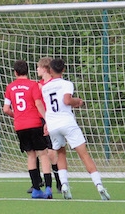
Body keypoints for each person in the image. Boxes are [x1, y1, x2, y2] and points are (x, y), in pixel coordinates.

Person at [40, 58, 110, 201]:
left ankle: (64, 184)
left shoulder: (45, 87)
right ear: (63, 70)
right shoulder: (67, 84)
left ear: (50, 71)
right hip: (67, 122)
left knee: (61, 154)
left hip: (53, 124)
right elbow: (66, 100)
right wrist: (77, 101)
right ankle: (99, 185)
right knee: (84, 155)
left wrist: (47, 123)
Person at [3, 60, 52, 199]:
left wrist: (17, 116)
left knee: (31, 155)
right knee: (43, 154)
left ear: (15, 72)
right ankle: (48, 188)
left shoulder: (10, 87)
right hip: (35, 123)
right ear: (28, 71)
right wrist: (46, 119)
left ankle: (36, 189)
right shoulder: (33, 85)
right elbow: (38, 103)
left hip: (20, 126)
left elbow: (6, 109)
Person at [35, 57, 62, 194]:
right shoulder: (37, 85)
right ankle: (38, 182)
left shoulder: (54, 83)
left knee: (52, 153)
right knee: (39, 152)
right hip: (39, 121)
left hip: (51, 120)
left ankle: (59, 181)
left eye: (39, 67)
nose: (37, 70)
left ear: (45, 69)